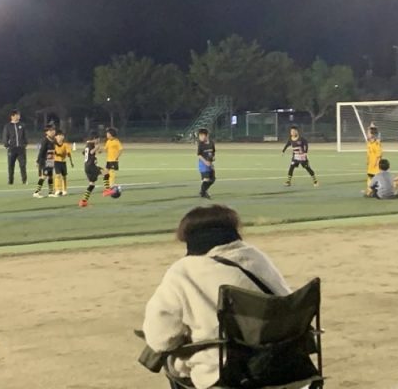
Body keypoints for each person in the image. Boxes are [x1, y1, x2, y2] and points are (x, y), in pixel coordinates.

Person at [142, 204, 291, 389]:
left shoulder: (182, 271)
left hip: (227, 372)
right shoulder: (257, 257)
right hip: (284, 362)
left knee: (173, 362)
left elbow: (161, 340)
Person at [2, 110, 29, 185]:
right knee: (11, 165)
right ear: (12, 116)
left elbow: (25, 136)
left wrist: (25, 144)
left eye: (19, 115)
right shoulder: (8, 126)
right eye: (17, 115)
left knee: (23, 165)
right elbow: (5, 137)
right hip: (12, 149)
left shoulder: (22, 125)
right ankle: (10, 181)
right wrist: (7, 146)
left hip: (21, 149)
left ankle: (24, 180)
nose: (18, 116)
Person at [79, 133, 103, 208]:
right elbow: (91, 152)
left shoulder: (88, 144)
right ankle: (107, 190)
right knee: (106, 172)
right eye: (98, 139)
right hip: (91, 166)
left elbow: (84, 153)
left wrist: (95, 153)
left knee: (92, 184)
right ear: (95, 138)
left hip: (87, 167)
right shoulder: (91, 144)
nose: (99, 140)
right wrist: (96, 148)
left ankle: (83, 201)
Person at [34, 124, 57, 199]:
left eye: (53, 130)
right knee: (44, 176)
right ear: (46, 132)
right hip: (45, 161)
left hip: (50, 161)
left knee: (50, 176)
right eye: (50, 130)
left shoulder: (54, 140)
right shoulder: (45, 140)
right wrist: (38, 161)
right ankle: (37, 192)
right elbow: (41, 151)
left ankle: (50, 192)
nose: (52, 131)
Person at [101, 127, 123, 196]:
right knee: (105, 173)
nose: (106, 135)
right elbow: (105, 148)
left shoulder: (116, 141)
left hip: (114, 160)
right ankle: (108, 188)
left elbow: (121, 149)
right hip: (108, 160)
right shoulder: (108, 141)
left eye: (107, 133)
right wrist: (100, 151)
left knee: (111, 172)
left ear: (111, 134)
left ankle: (112, 186)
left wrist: (117, 157)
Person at [53, 129, 74, 196]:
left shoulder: (66, 144)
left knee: (64, 176)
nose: (60, 137)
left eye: (61, 135)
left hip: (63, 162)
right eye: (59, 136)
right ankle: (57, 190)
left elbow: (68, 152)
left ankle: (64, 190)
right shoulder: (53, 145)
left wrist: (68, 155)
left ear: (63, 137)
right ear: (55, 137)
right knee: (57, 175)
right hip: (56, 162)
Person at [197, 128, 216, 199]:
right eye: (199, 136)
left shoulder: (211, 143)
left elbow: (213, 152)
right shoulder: (200, 144)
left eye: (202, 135)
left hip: (210, 164)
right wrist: (205, 162)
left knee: (213, 179)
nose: (200, 137)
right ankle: (203, 192)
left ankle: (203, 191)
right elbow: (199, 155)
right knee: (206, 179)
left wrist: (213, 158)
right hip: (203, 164)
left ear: (207, 135)